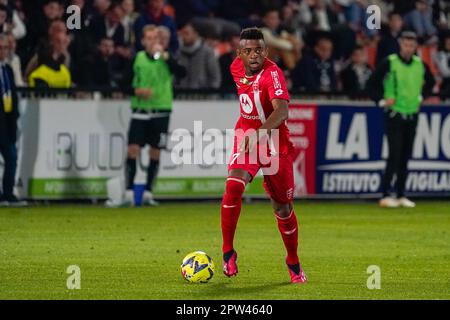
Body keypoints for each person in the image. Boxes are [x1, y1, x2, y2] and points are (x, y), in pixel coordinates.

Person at [220, 27, 307, 284]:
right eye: (247, 51)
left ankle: (292, 260)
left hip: (274, 142)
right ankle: (228, 252)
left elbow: (282, 113)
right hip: (248, 135)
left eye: (258, 50)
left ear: (266, 51)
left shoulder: (273, 74)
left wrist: (259, 133)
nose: (254, 55)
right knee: (233, 184)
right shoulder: (235, 68)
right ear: (239, 54)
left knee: (282, 207)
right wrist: (252, 134)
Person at [110, 24, 185, 207]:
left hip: (161, 111)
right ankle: (129, 192)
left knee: (155, 151)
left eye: (156, 38)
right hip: (140, 112)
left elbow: (182, 73)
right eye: (149, 38)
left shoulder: (167, 59)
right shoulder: (138, 59)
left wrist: (167, 57)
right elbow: (123, 83)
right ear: (143, 41)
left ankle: (148, 193)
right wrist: (136, 91)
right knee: (133, 149)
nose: (153, 42)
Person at [367, 31, 435, 208]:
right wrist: (382, 100)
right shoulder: (390, 62)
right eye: (406, 44)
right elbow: (371, 84)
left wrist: (421, 96)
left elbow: (431, 82)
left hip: (412, 113)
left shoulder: (420, 64)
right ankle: (385, 194)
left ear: (415, 47)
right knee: (394, 154)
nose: (408, 48)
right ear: (400, 44)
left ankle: (401, 193)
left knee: (406, 155)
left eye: (412, 45)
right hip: (394, 114)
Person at [0, 34, 26, 206]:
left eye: (5, 48)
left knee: (12, 157)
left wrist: (14, 119)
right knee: (10, 155)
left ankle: (8, 193)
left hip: (7, 122)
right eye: (1, 48)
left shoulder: (7, 70)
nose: (3, 51)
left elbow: (13, 97)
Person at [175, 22, 221, 90]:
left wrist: (211, 95)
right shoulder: (178, 52)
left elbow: (215, 77)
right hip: (182, 95)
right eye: (182, 34)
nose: (183, 37)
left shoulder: (207, 52)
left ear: (195, 34)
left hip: (203, 96)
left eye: (186, 33)